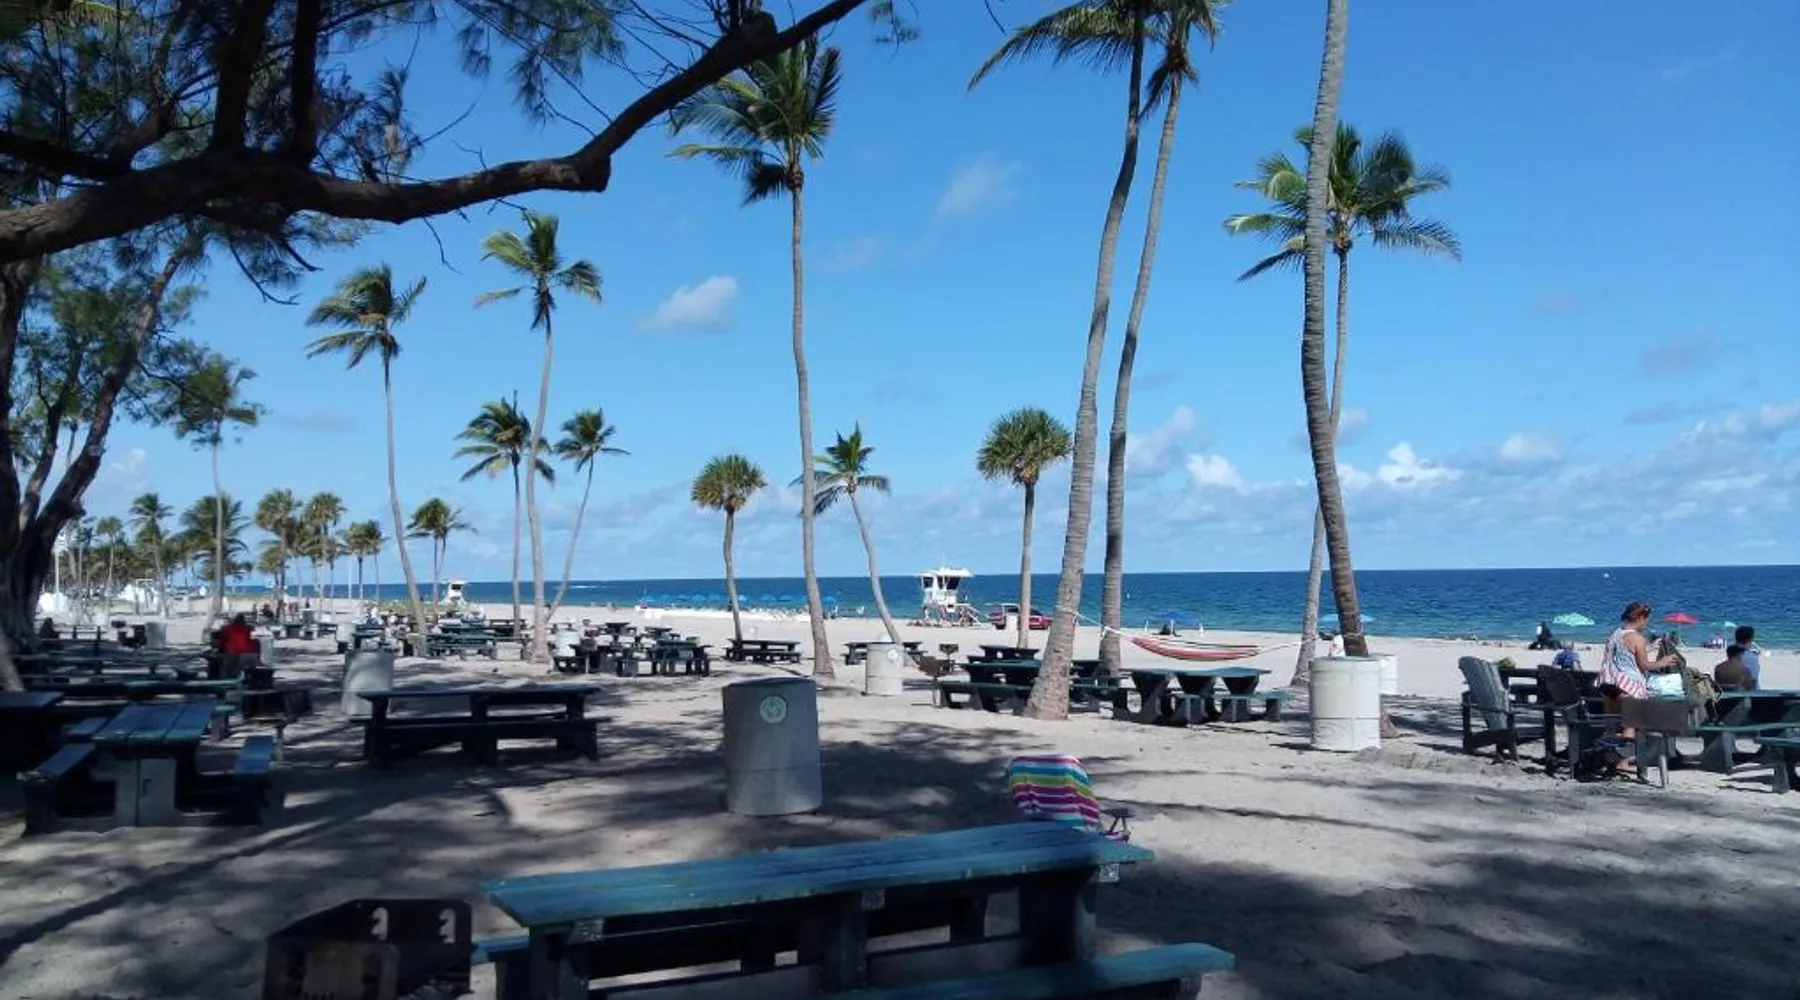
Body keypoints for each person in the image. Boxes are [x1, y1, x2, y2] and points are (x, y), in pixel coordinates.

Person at [1597, 602, 1680, 760]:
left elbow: (1626, 653)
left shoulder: (1616, 633)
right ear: (1641, 618)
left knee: (1613, 725)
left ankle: (1609, 758)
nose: (1646, 624)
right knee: (1630, 724)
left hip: (1609, 684)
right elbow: (1644, 665)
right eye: (1647, 620)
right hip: (1629, 687)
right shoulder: (1638, 639)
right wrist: (1663, 662)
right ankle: (1624, 761)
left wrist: (1650, 646)